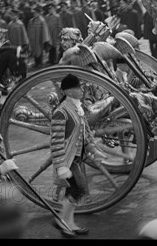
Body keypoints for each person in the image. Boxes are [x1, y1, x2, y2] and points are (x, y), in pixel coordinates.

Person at [50, 74, 107, 237]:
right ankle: (62, 220)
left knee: (74, 190)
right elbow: (56, 142)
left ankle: (67, 222)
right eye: (78, 88)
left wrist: (94, 150)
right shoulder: (61, 112)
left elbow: (85, 132)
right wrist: (61, 166)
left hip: (76, 156)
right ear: (68, 91)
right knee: (79, 188)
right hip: (67, 159)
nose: (81, 90)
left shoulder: (77, 107)